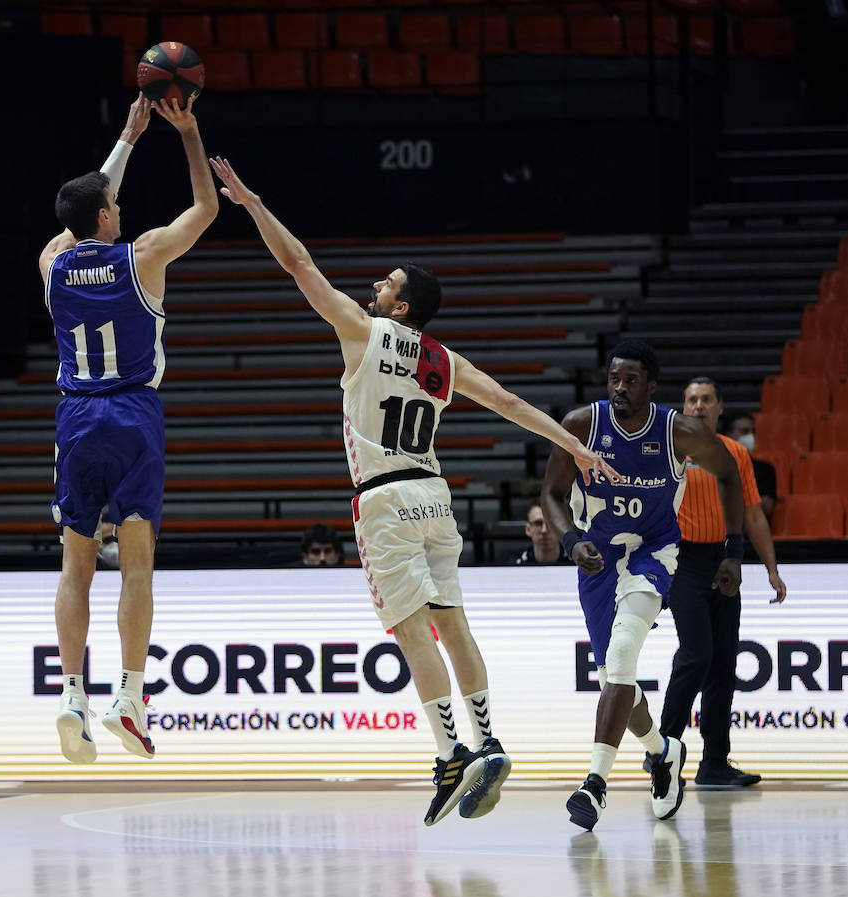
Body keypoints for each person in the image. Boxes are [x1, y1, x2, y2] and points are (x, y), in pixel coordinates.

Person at [209, 155, 621, 826]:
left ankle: (450, 750)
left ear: (399, 306)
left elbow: (299, 265)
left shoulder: (363, 334)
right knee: (452, 623)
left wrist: (254, 203)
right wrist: (573, 445)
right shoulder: (442, 360)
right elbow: (512, 402)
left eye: (387, 281)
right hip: (435, 496)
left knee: (411, 632)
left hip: (386, 499)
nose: (374, 283)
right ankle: (488, 738)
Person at [38, 93, 217, 764]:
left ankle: (70, 694)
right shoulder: (143, 256)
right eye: (113, 204)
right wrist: (187, 134)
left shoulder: (52, 263)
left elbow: (76, 212)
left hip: (76, 417)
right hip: (135, 416)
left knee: (74, 567)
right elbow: (205, 208)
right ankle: (131, 697)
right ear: (108, 215)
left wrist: (126, 139)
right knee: (136, 567)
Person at [541, 339, 745, 832]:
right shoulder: (581, 425)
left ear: (651, 387)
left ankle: (594, 783)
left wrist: (734, 552)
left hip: (654, 553)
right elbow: (549, 492)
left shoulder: (681, 432)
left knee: (624, 652)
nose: (620, 388)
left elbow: (730, 474)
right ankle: (661, 752)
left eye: (631, 380)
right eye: (614, 378)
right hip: (596, 558)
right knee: (618, 674)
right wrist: (570, 541)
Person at [660, 378, 787, 788]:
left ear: (719, 409)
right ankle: (664, 749)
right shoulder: (669, 450)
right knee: (696, 654)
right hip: (681, 562)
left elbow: (753, 514)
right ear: (683, 408)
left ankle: (714, 762)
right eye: (691, 399)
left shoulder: (734, 454)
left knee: (723, 664)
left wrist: (771, 568)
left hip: (726, 560)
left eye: (706, 400)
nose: (698, 406)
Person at [726, 412, 777, 523]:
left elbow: (767, 506)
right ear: (728, 435)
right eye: (744, 432)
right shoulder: (714, 467)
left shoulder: (765, 470)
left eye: (753, 431)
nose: (751, 437)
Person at [510, 499, 569, 565]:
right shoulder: (515, 566)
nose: (544, 530)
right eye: (538, 524)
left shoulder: (577, 564)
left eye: (550, 523)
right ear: (528, 529)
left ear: (560, 528)